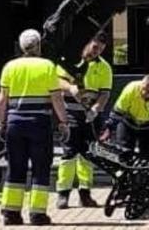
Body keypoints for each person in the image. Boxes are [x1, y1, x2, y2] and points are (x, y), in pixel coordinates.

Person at [0, 29, 70, 226]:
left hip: (15, 123)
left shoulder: (10, 67)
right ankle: (37, 214)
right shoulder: (47, 66)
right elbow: (56, 98)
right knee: (40, 168)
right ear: (38, 45)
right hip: (39, 124)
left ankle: (11, 213)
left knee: (15, 167)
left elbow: (3, 99)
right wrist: (64, 122)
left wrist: (1, 123)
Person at [55, 32, 113, 209]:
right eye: (95, 47)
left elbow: (105, 93)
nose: (97, 52)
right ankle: (63, 194)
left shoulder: (104, 67)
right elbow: (56, 82)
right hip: (71, 113)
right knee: (69, 154)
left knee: (89, 154)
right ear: (88, 43)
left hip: (91, 116)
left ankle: (85, 194)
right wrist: (70, 87)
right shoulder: (70, 61)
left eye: (101, 50)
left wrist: (96, 109)